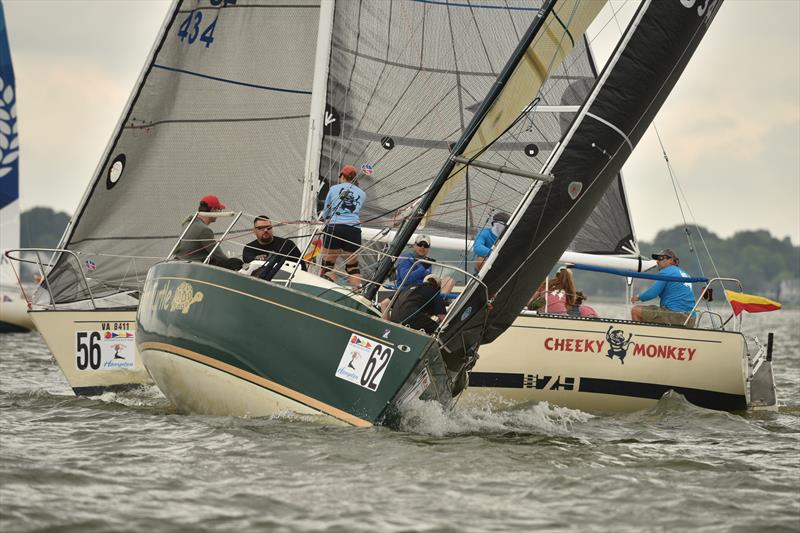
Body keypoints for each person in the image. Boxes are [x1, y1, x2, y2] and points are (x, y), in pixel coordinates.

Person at [320, 164, 366, 289]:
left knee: (327, 265)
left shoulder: (334, 188)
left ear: (342, 176)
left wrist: (325, 219)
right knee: (352, 267)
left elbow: (327, 210)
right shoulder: (362, 193)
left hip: (335, 227)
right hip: (354, 230)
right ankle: (357, 292)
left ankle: (330, 291)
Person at [173, 195, 243, 270]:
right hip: (193, 266)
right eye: (219, 210)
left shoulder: (189, 222)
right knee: (236, 263)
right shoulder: (204, 230)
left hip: (180, 262)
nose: (219, 214)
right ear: (213, 210)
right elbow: (219, 256)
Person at [631, 248, 696, 327]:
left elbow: (652, 293)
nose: (657, 261)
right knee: (655, 311)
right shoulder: (684, 273)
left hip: (677, 316)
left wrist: (638, 297)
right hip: (691, 319)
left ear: (671, 260)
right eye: (657, 259)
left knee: (635, 311)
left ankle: (640, 337)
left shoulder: (666, 272)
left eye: (661, 258)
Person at [242, 215, 306, 280]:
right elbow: (247, 259)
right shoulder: (249, 248)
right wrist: (256, 258)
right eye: (261, 228)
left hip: (286, 282)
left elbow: (303, 268)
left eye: (268, 227)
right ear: (254, 230)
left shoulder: (287, 244)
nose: (266, 230)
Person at [527, 267, 598, 317]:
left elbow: (530, 305)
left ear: (556, 275)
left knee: (540, 303)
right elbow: (568, 307)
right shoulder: (569, 290)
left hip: (544, 314)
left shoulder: (546, 285)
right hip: (562, 316)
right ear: (570, 279)